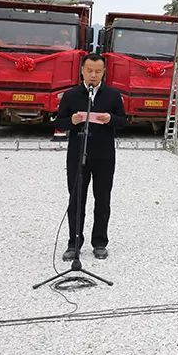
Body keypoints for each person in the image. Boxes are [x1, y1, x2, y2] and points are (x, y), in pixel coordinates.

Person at [53, 53, 127, 261]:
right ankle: (74, 243)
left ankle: (100, 242)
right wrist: (73, 120)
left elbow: (123, 121)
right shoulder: (71, 95)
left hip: (104, 155)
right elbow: (58, 122)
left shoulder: (112, 95)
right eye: (89, 71)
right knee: (77, 199)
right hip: (78, 154)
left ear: (104, 72)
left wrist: (111, 118)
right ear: (82, 71)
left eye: (98, 71)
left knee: (102, 199)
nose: (93, 75)